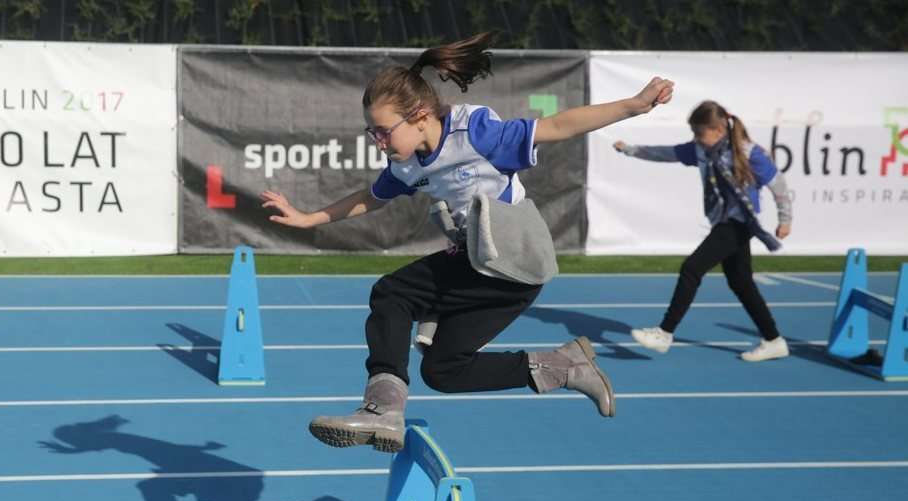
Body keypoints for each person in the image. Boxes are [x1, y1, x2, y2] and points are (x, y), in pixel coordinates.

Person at [261, 32, 673, 452]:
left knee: (392, 294)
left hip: (514, 260)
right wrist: (310, 217)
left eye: (384, 132)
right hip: (491, 274)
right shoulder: (406, 166)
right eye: (372, 134)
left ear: (420, 115)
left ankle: (382, 408)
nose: (379, 143)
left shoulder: (476, 133)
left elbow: (558, 125)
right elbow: (372, 197)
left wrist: (633, 105)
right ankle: (564, 366)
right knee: (444, 371)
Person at [614, 100, 793, 362]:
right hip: (722, 221)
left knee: (692, 268)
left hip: (740, 223)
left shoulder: (748, 152)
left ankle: (664, 333)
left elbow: (778, 185)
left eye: (700, 133)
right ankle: (774, 340)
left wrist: (785, 219)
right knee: (741, 283)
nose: (695, 139)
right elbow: (667, 153)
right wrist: (630, 150)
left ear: (718, 130)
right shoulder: (701, 150)